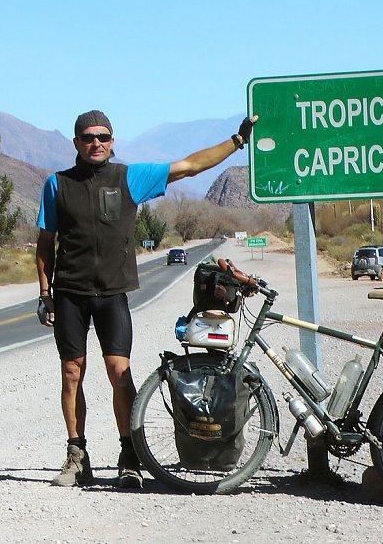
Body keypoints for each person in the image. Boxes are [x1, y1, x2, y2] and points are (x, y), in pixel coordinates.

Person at [35, 110, 256, 489]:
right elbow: (44, 245)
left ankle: (129, 454)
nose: (96, 143)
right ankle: (76, 456)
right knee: (71, 374)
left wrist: (237, 142)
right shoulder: (57, 184)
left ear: (112, 140)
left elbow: (188, 166)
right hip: (69, 293)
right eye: (88, 137)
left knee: (120, 375)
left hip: (112, 294)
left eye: (103, 136)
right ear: (76, 143)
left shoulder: (128, 178)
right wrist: (44, 294)